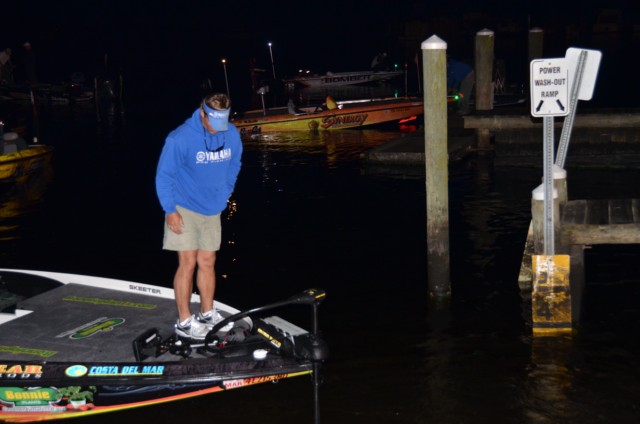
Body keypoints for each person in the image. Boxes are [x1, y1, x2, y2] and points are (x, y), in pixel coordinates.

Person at [155, 92, 243, 341]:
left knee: (208, 261)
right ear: (202, 112)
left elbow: (235, 163)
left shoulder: (231, 133)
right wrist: (170, 210)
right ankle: (184, 321)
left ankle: (207, 312)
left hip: (213, 208)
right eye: (212, 122)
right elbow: (164, 176)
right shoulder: (179, 138)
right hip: (183, 206)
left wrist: (225, 191)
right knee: (188, 262)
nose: (217, 129)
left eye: (221, 123)